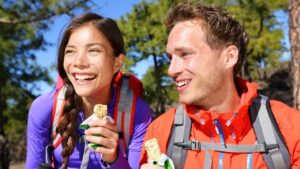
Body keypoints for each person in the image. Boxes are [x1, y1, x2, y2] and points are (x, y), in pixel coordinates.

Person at [140, 2, 300, 169]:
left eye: (185, 54)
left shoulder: (291, 129)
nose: (171, 70)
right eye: (170, 58)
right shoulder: (159, 133)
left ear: (229, 57)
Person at [26, 12, 152, 169]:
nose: (79, 62)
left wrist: (114, 159)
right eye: (70, 51)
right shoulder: (44, 108)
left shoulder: (137, 113)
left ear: (117, 63)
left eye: (93, 51)